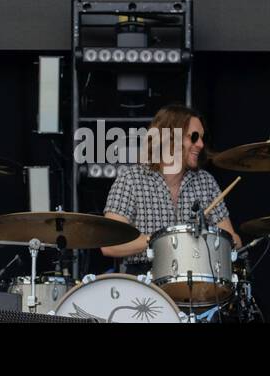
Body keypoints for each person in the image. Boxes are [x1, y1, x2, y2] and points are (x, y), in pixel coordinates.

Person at [99, 103, 242, 270]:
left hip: (194, 277)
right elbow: (109, 245)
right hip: (144, 280)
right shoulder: (131, 180)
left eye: (202, 138)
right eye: (194, 137)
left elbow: (235, 241)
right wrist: (164, 239)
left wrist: (210, 238)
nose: (201, 145)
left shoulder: (205, 182)